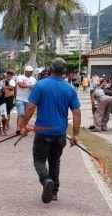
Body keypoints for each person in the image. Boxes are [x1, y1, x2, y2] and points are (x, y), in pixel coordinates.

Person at [19, 58, 81, 204]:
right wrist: (76, 135)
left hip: (42, 132)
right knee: (55, 162)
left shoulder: (41, 85)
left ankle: (46, 180)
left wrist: (23, 126)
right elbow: (77, 113)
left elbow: (30, 107)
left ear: (50, 69)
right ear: (64, 72)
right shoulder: (70, 88)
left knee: (39, 161)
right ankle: (54, 192)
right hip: (60, 134)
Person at [15, 66, 37, 134]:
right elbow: (20, 85)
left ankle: (23, 127)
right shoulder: (20, 77)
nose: (30, 73)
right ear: (25, 71)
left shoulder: (34, 79)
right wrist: (30, 86)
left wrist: (30, 87)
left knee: (26, 115)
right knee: (21, 113)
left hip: (29, 99)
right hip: (20, 99)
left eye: (31, 72)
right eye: (28, 72)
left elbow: (35, 88)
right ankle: (18, 128)